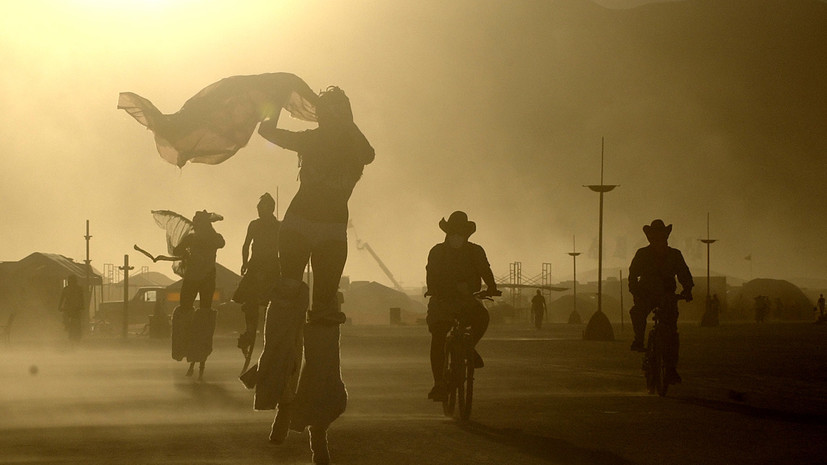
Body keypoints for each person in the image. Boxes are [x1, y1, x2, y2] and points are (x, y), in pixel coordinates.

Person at [255, 86, 374, 464]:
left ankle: (312, 421)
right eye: (327, 113)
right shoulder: (322, 139)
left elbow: (369, 153)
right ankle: (284, 403)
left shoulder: (354, 147)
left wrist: (276, 103)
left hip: (326, 232)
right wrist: (272, 100)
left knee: (322, 320)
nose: (328, 118)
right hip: (304, 226)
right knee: (290, 309)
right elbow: (268, 133)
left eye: (333, 112)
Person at [425, 211, 498, 402]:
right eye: (454, 233)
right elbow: (431, 274)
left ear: (466, 235)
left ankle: (469, 348)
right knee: (439, 336)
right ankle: (439, 383)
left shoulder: (476, 251)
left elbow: (485, 270)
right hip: (442, 300)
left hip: (467, 301)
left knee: (482, 318)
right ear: (447, 233)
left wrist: (492, 287)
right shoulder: (437, 252)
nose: (457, 237)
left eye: (461, 233)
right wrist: (438, 288)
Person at [627, 219, 693, 385]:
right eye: (654, 236)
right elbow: (633, 275)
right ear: (650, 238)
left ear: (666, 236)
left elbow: (684, 274)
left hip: (667, 296)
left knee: (671, 335)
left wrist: (687, 289)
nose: (657, 239)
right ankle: (639, 340)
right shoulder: (642, 254)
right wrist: (635, 291)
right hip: (646, 294)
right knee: (637, 312)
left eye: (660, 236)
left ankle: (670, 369)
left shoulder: (675, 255)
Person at [171, 210, 225, 380]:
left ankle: (198, 358)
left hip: (204, 280)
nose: (195, 226)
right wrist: (186, 252)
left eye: (198, 223)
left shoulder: (212, 238)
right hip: (195, 279)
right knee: (186, 312)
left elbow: (221, 242)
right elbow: (177, 250)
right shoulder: (194, 238)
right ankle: (185, 350)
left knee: (203, 316)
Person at [233, 193, 281, 367]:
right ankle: (250, 331)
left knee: (275, 302)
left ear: (270, 208)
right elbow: (246, 245)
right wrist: (245, 263)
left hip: (272, 267)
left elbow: (283, 248)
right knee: (250, 302)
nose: (259, 211)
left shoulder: (278, 226)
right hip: (256, 265)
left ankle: (272, 334)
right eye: (258, 208)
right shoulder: (254, 225)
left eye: (262, 208)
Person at [57, 275, 84, 343]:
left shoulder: (67, 289)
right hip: (73, 308)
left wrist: (59, 307)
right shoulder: (78, 288)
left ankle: (67, 327)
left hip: (71, 308)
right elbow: (82, 299)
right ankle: (68, 327)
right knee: (75, 321)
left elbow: (62, 299)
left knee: (71, 320)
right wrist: (82, 306)